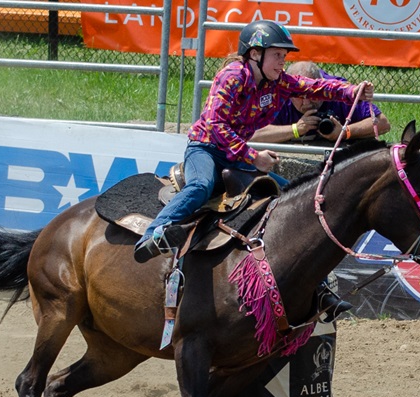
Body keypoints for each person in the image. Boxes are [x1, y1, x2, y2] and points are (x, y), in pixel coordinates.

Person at [133, 19, 375, 265]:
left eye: (284, 55)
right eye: (277, 54)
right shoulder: (231, 77)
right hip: (205, 149)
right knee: (200, 185)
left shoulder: (278, 82)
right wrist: (253, 157)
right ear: (255, 54)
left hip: (236, 156)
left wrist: (350, 91)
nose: (283, 61)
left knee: (286, 193)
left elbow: (313, 87)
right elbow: (216, 126)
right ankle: (152, 234)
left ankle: (316, 285)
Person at [250, 61, 391, 144]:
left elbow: (383, 123)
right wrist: (296, 129)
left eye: (312, 95)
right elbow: (250, 134)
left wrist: (344, 132)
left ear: (321, 88)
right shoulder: (278, 91)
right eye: (299, 96)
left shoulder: (337, 90)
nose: (306, 103)